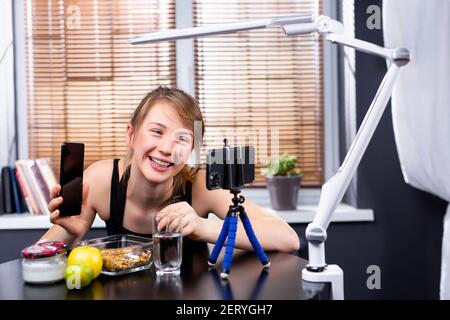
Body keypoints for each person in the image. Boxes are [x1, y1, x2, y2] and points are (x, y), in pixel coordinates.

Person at [39, 86, 300, 254]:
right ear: (131, 135)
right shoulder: (101, 178)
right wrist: (71, 236)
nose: (167, 148)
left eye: (182, 139)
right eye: (156, 132)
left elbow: (287, 238)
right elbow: (38, 255)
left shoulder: (200, 184)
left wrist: (203, 227)